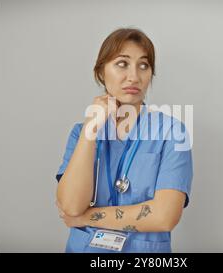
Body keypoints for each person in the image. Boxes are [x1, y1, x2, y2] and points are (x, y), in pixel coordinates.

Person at [54, 27, 193, 253]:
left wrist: (86, 218)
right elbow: (70, 206)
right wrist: (91, 129)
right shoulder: (81, 133)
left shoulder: (172, 132)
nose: (134, 76)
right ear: (101, 72)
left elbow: (164, 216)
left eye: (144, 65)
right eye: (122, 63)